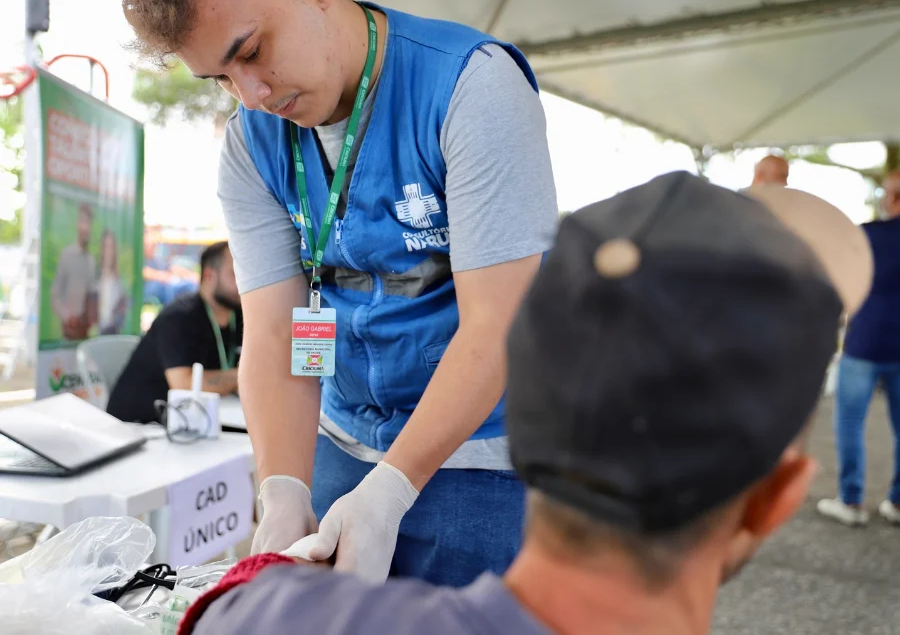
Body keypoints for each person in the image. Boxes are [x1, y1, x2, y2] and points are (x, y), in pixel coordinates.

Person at [171, 173, 872, 635]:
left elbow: (232, 606)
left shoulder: (268, 614)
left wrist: (286, 572)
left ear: (525, 418)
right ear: (775, 500)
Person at [122, 0, 558, 585]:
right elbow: (278, 330)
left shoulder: (472, 88)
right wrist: (280, 488)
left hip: (483, 458)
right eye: (221, 77)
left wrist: (391, 489)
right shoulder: (252, 142)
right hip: (339, 443)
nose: (252, 95)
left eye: (251, 51)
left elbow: (498, 324)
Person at [817, 169, 900, 526]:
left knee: (850, 424)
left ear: (891, 197)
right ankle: (897, 502)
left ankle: (851, 501)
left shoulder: (867, 235)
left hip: (864, 341)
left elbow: (841, 284)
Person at [107, 242, 243, 423]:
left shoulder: (238, 316)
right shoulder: (180, 317)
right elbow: (185, 385)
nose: (243, 282)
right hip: (144, 425)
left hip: (196, 421)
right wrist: (242, 376)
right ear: (210, 275)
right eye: (235, 273)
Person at [51, 202, 97, 340]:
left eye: (89, 223)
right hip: (69, 330)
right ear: (77, 224)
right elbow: (55, 296)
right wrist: (67, 316)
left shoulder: (91, 260)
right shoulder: (67, 255)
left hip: (86, 330)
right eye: (83, 222)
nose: (86, 227)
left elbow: (92, 294)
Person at [97, 230, 129, 335]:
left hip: (112, 332)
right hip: (95, 334)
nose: (108, 251)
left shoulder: (118, 280)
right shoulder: (95, 275)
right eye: (106, 246)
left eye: (111, 247)